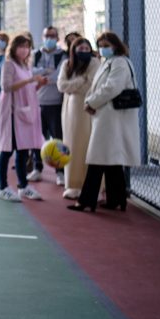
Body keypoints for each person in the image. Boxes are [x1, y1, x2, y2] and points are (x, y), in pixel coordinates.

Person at [69, 32, 140, 213]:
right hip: (106, 115)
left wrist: (91, 102)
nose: (103, 48)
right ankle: (116, 199)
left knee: (97, 158)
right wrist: (90, 101)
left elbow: (111, 88)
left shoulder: (120, 63)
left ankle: (86, 201)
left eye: (106, 44)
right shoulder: (108, 62)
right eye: (100, 44)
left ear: (115, 45)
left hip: (112, 118)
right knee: (111, 160)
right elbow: (98, 87)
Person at [0, 35, 46, 202]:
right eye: (21, 46)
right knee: (6, 150)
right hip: (10, 111)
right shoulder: (9, 64)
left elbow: (28, 89)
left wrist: (38, 83)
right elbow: (6, 86)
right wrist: (30, 80)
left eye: (27, 47)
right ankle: (2, 187)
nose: (24, 50)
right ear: (14, 48)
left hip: (24, 112)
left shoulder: (26, 65)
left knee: (23, 150)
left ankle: (23, 186)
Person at [57, 37, 99, 200]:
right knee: (72, 145)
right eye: (80, 49)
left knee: (87, 146)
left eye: (86, 49)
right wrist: (81, 80)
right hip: (70, 111)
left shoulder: (95, 63)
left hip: (88, 109)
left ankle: (90, 186)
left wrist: (73, 86)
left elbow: (91, 86)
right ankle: (73, 184)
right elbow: (61, 86)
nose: (83, 52)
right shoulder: (67, 64)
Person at [30, 25, 66, 185]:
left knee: (58, 138)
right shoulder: (35, 54)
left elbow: (59, 76)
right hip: (37, 102)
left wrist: (42, 75)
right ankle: (37, 168)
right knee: (36, 137)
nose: (49, 39)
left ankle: (60, 172)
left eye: (52, 36)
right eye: (46, 36)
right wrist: (46, 71)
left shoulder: (63, 56)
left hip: (55, 103)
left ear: (57, 38)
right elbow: (31, 72)